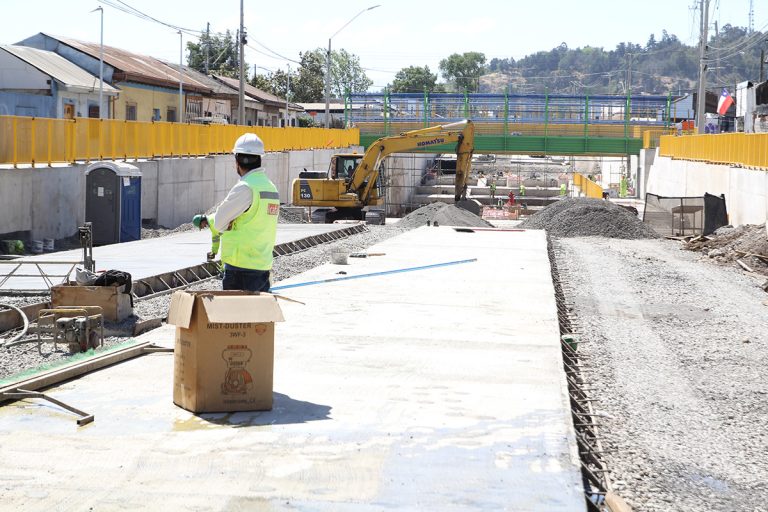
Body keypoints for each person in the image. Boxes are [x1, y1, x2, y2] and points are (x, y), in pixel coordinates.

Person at [213, 133, 280, 292]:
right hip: (262, 266)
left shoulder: (245, 187)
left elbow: (218, 222)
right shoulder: (270, 187)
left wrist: (229, 223)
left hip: (240, 269)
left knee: (235, 316)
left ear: (237, 161)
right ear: (259, 159)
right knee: (257, 315)